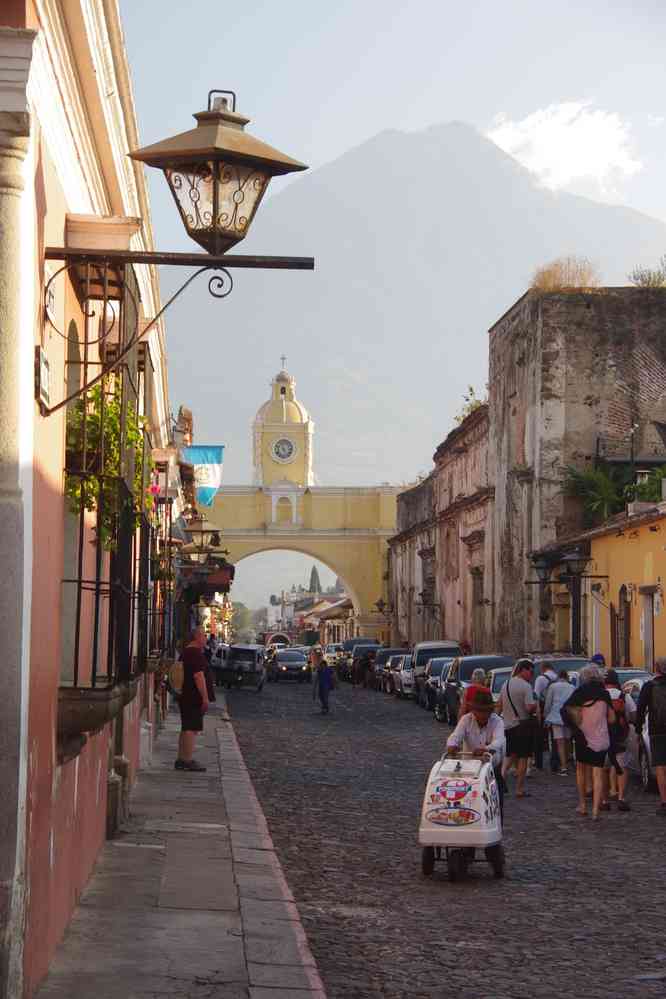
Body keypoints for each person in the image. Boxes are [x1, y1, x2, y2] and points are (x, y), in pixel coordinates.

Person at [562, 664, 615, 820]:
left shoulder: (579, 692)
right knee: (597, 772)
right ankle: (596, 811)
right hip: (601, 738)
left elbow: (566, 710)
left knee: (581, 770)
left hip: (582, 737)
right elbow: (612, 718)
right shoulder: (604, 694)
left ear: (583, 677)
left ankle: (583, 805)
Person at [446, 687, 506, 816]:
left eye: (486, 712)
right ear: (473, 710)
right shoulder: (466, 720)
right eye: (479, 711)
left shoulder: (497, 721)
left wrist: (486, 749)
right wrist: (452, 745)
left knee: (496, 807)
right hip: (469, 770)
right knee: (467, 804)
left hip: (491, 770)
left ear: (490, 711)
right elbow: (455, 736)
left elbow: (499, 741)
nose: (483, 715)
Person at [497, 658, 537, 798]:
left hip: (508, 726)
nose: (532, 675)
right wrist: (535, 706)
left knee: (509, 756)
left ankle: (500, 782)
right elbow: (529, 707)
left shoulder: (505, 684)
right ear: (523, 670)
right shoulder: (526, 686)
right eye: (531, 672)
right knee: (523, 758)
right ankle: (519, 789)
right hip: (522, 726)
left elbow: (499, 705)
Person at [634, 657, 666, 816]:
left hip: (657, 730)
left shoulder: (649, 686)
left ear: (656, 668)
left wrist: (638, 729)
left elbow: (640, 709)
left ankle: (664, 802)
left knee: (660, 767)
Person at [175, 627, 210, 772]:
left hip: (185, 696)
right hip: (193, 696)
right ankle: (187, 760)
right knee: (191, 728)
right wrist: (205, 698)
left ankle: (182, 758)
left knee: (186, 727)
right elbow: (198, 676)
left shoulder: (186, 652)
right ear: (197, 637)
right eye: (204, 636)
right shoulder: (195, 653)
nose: (206, 639)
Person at [601, 668, 635, 812]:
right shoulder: (624, 696)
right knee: (621, 767)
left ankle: (604, 800)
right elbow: (633, 715)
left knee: (603, 769)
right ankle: (621, 798)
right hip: (620, 737)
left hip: (602, 737)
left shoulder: (600, 696)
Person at [543, 669, 575, 775]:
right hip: (568, 717)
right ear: (566, 677)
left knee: (559, 742)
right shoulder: (572, 687)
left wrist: (546, 716)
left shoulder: (553, 687)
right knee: (567, 741)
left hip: (555, 716)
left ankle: (563, 767)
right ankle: (568, 761)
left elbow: (548, 703)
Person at [534, 660, 559, 771]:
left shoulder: (540, 679)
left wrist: (539, 712)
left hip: (544, 708)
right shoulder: (557, 678)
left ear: (543, 668)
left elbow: (536, 696)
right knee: (555, 737)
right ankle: (555, 762)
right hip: (556, 709)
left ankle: (539, 763)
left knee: (539, 737)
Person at [312, 649, 335, 714]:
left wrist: (334, 683)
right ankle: (325, 707)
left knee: (325, 697)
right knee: (321, 696)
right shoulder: (319, 670)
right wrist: (314, 689)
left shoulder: (329, 669)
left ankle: (325, 708)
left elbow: (333, 676)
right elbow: (316, 679)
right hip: (321, 686)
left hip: (327, 686)